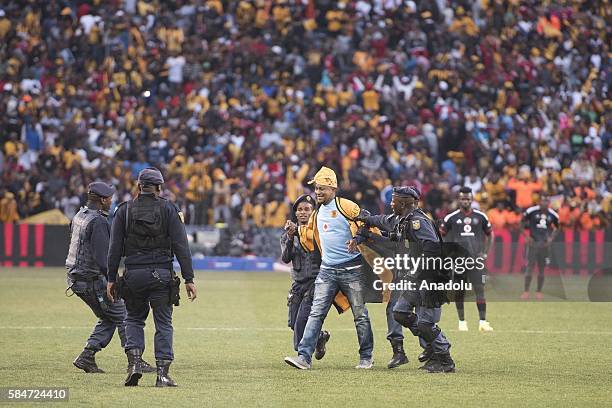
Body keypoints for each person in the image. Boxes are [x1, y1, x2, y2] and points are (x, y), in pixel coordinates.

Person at [106, 167, 197, 387]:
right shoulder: (169, 210)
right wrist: (189, 278)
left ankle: (135, 363)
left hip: (133, 274)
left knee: (134, 319)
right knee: (163, 324)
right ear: (159, 187)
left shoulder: (124, 210)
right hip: (161, 275)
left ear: (139, 186)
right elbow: (181, 246)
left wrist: (110, 278)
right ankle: (162, 375)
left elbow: (114, 248)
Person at [284, 167, 374, 370]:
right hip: (327, 270)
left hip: (352, 269)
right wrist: (295, 231)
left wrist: (358, 238)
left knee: (360, 314)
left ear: (333, 188)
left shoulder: (346, 206)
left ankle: (366, 357)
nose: (318, 193)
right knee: (316, 313)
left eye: (322, 189)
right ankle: (304, 357)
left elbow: (367, 222)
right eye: (316, 189)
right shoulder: (317, 213)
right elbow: (308, 233)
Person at [358, 186, 455, 373]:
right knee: (400, 312)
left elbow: (433, 250)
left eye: (394, 201)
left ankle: (445, 359)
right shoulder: (401, 220)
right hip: (414, 278)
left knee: (426, 323)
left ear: (403, 204)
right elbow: (383, 222)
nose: (390, 204)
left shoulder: (419, 222)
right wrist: (365, 221)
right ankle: (433, 346)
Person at [66, 182, 155, 374]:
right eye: (111, 198)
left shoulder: (80, 215)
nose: (112, 200)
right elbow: (103, 259)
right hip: (90, 280)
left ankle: (86, 357)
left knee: (109, 316)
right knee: (125, 316)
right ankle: (135, 360)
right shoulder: (98, 222)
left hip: (77, 278)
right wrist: (116, 282)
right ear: (104, 200)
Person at [280, 194, 330, 359]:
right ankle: (319, 338)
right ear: (295, 214)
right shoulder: (288, 234)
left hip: (315, 282)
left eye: (307, 209)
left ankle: (303, 354)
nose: (303, 212)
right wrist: (290, 237)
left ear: (313, 212)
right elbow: (286, 258)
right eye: (300, 210)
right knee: (294, 323)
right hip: (297, 284)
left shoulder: (318, 233)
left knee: (302, 321)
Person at [440, 187, 494, 332]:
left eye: (468, 199)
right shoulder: (451, 218)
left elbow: (490, 234)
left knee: (479, 290)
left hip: (476, 260)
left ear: (472, 199)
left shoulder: (481, 216)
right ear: (459, 200)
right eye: (463, 199)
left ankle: (482, 322)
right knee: (460, 291)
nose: (465, 201)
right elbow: (442, 235)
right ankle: (462, 322)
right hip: (459, 261)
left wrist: (485, 253)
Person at [521, 195, 559, 300]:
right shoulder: (531, 211)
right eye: (543, 200)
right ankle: (526, 291)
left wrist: (551, 238)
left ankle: (539, 291)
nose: (545, 203)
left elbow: (558, 228)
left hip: (544, 245)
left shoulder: (553, 214)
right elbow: (521, 223)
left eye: (547, 201)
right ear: (539, 202)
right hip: (533, 244)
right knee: (529, 267)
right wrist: (526, 236)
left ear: (549, 202)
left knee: (541, 269)